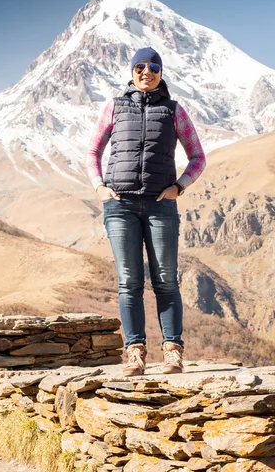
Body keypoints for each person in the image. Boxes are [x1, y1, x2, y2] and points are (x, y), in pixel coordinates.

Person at [85, 46, 206, 376]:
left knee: (166, 281)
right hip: (119, 206)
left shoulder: (174, 111)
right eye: (140, 66)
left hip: (160, 207)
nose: (146, 72)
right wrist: (100, 187)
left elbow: (198, 157)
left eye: (153, 67)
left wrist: (179, 187)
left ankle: (172, 352)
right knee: (129, 282)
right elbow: (93, 151)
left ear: (160, 72)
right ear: (132, 71)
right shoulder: (114, 107)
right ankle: (135, 352)